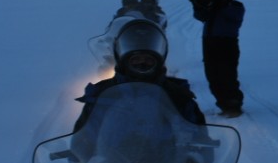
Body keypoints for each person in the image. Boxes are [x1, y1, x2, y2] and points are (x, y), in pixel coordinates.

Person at [75, 18, 204, 132]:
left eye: (148, 59)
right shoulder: (101, 96)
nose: (142, 63)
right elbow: (85, 137)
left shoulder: (178, 96)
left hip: (168, 158)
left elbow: (199, 137)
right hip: (111, 159)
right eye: (135, 59)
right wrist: (83, 154)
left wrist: (195, 156)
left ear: (159, 60)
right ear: (122, 59)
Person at [189, 0, 245, 117]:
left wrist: (220, 2)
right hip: (209, 43)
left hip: (227, 43)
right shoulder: (213, 7)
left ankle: (233, 106)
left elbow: (232, 14)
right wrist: (196, 3)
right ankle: (224, 105)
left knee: (227, 76)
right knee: (212, 76)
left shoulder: (236, 6)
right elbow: (199, 16)